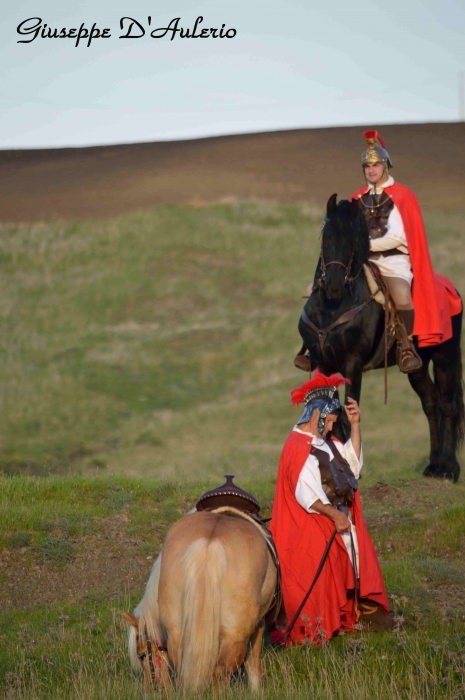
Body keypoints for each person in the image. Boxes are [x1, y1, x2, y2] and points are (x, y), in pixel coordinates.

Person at [270, 370, 392, 646]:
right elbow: (307, 496)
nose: (330, 428)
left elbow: (352, 465)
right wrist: (335, 515)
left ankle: (353, 613)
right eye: (330, 421)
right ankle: (322, 626)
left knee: (354, 558)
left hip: (336, 520)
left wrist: (356, 425)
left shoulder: (326, 443)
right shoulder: (297, 447)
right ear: (318, 415)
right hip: (311, 527)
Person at [351, 130, 461, 372]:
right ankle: (315, 346)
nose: (371, 170)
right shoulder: (357, 198)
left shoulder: (402, 195)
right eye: (367, 166)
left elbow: (397, 236)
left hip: (394, 261)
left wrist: (365, 245)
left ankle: (406, 346)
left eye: (376, 165)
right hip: (362, 262)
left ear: (385, 165)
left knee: (401, 293)